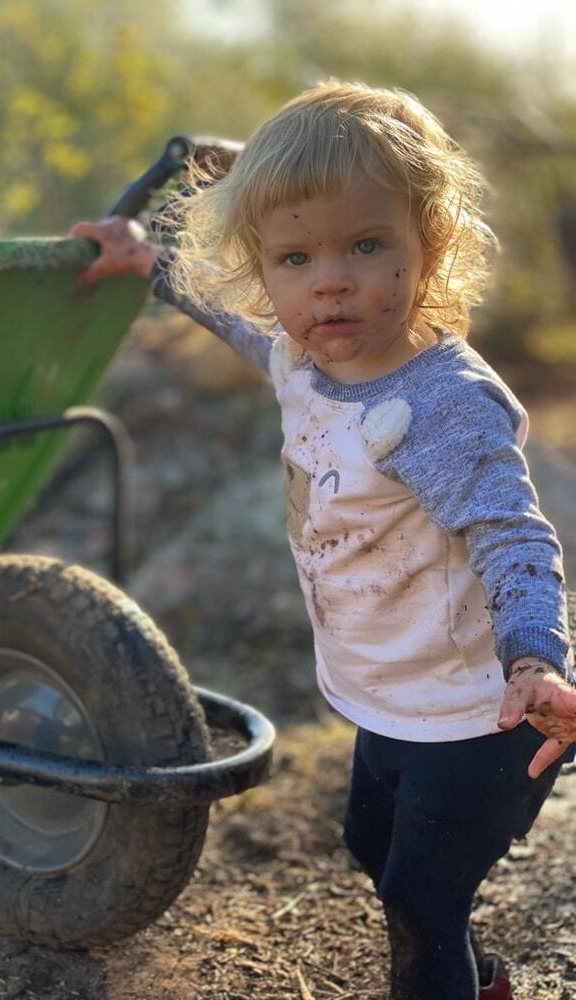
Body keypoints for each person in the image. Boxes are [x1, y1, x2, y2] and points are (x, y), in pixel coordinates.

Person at [70, 80, 576, 1000]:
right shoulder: (301, 356)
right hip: (386, 693)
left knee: (420, 898)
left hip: (482, 712)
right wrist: (144, 261)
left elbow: (512, 534)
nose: (329, 279)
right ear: (266, 270)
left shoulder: (438, 403)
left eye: (366, 244)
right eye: (295, 258)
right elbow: (230, 317)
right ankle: (480, 977)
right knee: (369, 849)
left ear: (432, 244)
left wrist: (533, 659)